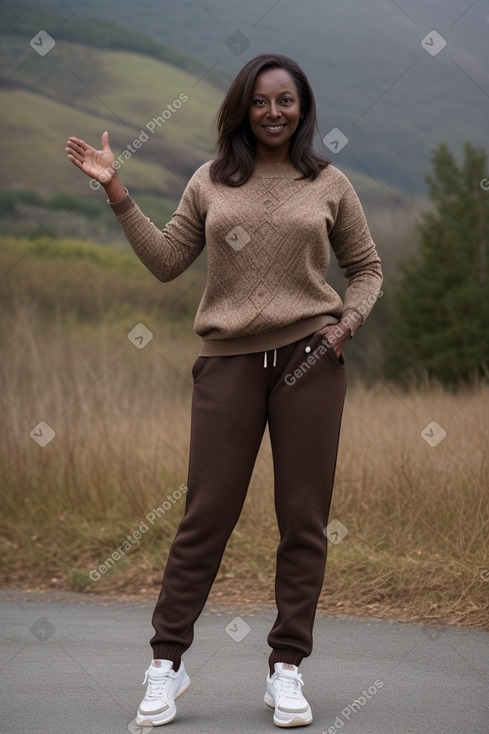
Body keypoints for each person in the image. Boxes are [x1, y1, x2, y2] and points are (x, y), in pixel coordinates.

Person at [66, 52, 382, 729]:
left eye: (285, 101)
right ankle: (166, 664)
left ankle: (286, 670)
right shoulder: (210, 181)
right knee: (204, 517)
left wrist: (345, 324)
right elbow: (166, 263)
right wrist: (118, 191)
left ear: (302, 108)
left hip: (309, 362)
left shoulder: (329, 183)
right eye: (261, 101)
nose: (273, 112)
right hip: (227, 365)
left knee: (302, 520)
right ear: (242, 108)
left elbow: (366, 268)